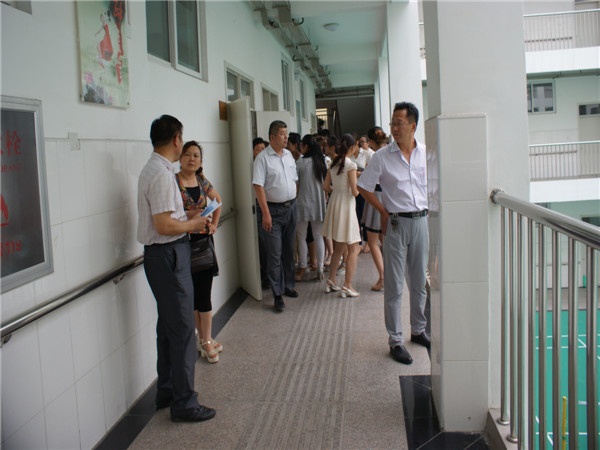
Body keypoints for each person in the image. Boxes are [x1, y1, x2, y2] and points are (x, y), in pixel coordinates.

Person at [137, 114, 216, 422]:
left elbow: (167, 217)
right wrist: (192, 224)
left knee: (168, 326)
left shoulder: (158, 169)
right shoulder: (159, 174)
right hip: (168, 254)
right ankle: (184, 403)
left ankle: (168, 390)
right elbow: (162, 224)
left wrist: (187, 218)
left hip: (164, 254)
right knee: (182, 328)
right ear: (176, 139)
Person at [358, 102, 431, 366]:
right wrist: (382, 211)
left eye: (399, 123)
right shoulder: (382, 156)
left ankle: (418, 330)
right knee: (394, 285)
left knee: (419, 281)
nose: (394, 128)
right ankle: (396, 340)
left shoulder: (425, 153)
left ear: (413, 125)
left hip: (421, 221)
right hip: (397, 223)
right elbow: (363, 186)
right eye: (392, 123)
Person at [176, 140, 223, 363]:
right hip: (183, 243)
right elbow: (171, 214)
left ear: (200, 160)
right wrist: (189, 215)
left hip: (204, 243)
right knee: (193, 294)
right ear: (180, 158)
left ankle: (206, 338)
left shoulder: (202, 180)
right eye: (187, 154)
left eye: (196, 155)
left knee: (205, 291)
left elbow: (218, 200)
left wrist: (214, 223)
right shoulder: (174, 182)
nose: (192, 158)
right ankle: (203, 339)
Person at [253, 120, 299, 312]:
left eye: (286, 133)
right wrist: (265, 213)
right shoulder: (262, 159)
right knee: (274, 254)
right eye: (282, 134)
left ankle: (288, 285)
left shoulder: (288, 155)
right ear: (272, 137)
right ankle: (277, 294)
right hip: (272, 211)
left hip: (291, 208)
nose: (286, 137)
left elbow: (294, 180)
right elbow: (258, 186)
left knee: (289, 250)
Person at [322, 134, 361, 298]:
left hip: (335, 204)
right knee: (354, 248)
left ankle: (331, 280)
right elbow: (355, 191)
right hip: (346, 207)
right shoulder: (350, 164)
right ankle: (347, 285)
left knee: (338, 247)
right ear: (352, 147)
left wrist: (337, 191)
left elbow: (326, 186)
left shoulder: (334, 163)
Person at [295, 134, 328, 281]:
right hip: (318, 204)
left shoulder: (300, 163)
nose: (300, 148)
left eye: (301, 145)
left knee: (301, 236)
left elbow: (296, 185)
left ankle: (303, 267)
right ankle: (320, 268)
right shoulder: (321, 161)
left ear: (306, 146)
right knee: (318, 236)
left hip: (302, 203)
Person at [361, 126, 388, 291]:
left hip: (375, 195)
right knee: (385, 240)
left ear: (371, 141)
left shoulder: (376, 156)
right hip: (388, 196)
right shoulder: (391, 152)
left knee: (372, 241)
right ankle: (390, 276)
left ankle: (383, 277)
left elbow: (364, 183)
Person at [253, 137, 269, 291]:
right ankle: (265, 276)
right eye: (258, 149)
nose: (261, 152)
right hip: (256, 209)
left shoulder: (268, 165)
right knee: (263, 245)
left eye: (263, 149)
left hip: (269, 208)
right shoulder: (251, 168)